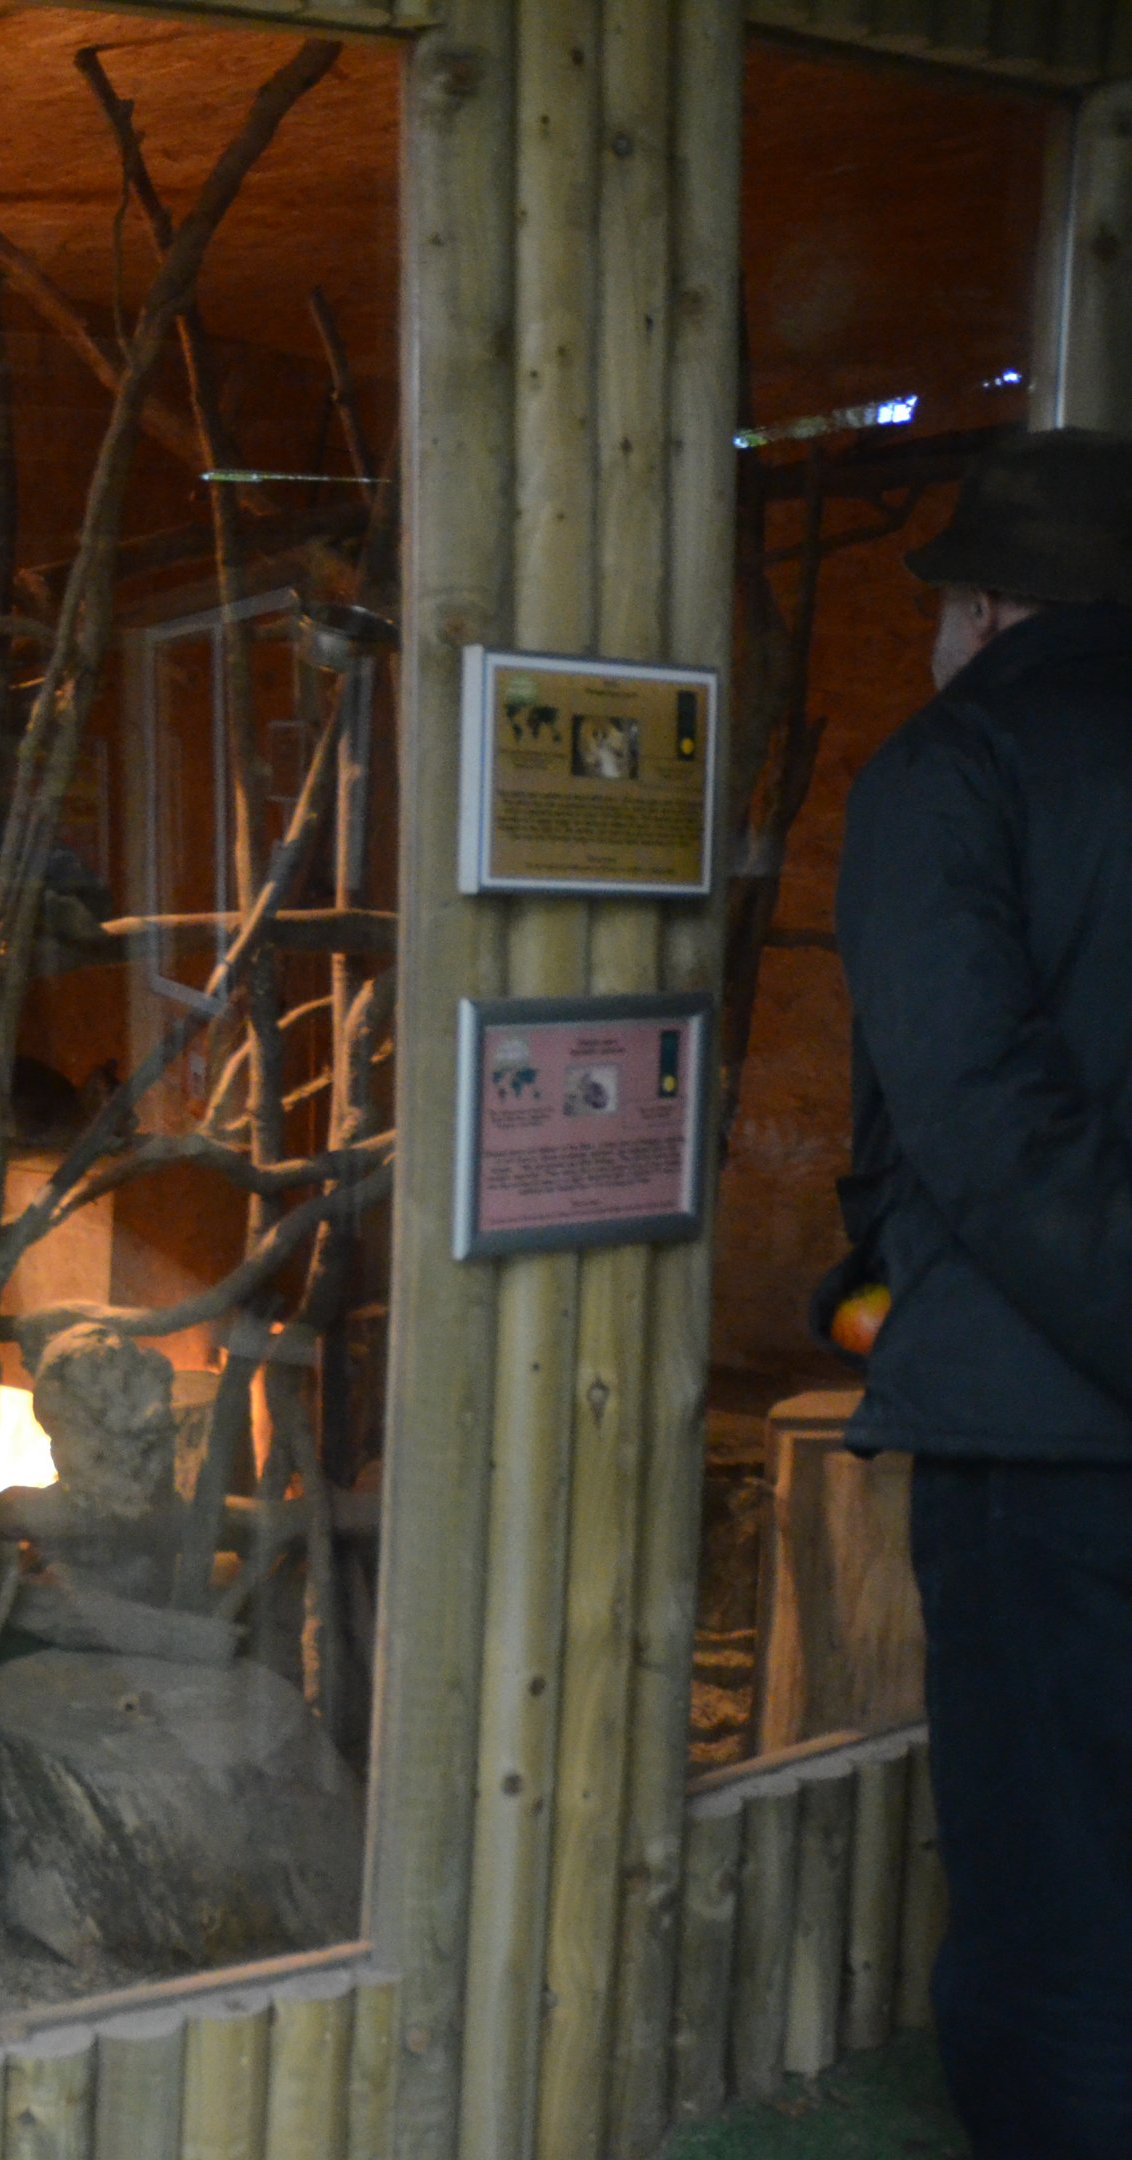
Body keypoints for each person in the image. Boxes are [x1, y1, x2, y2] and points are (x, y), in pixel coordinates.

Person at [833, 425, 1132, 2157]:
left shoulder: (952, 767)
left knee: (1054, 1903)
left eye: (944, 602)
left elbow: (973, 1111)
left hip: (1049, 1444)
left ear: (988, 603)